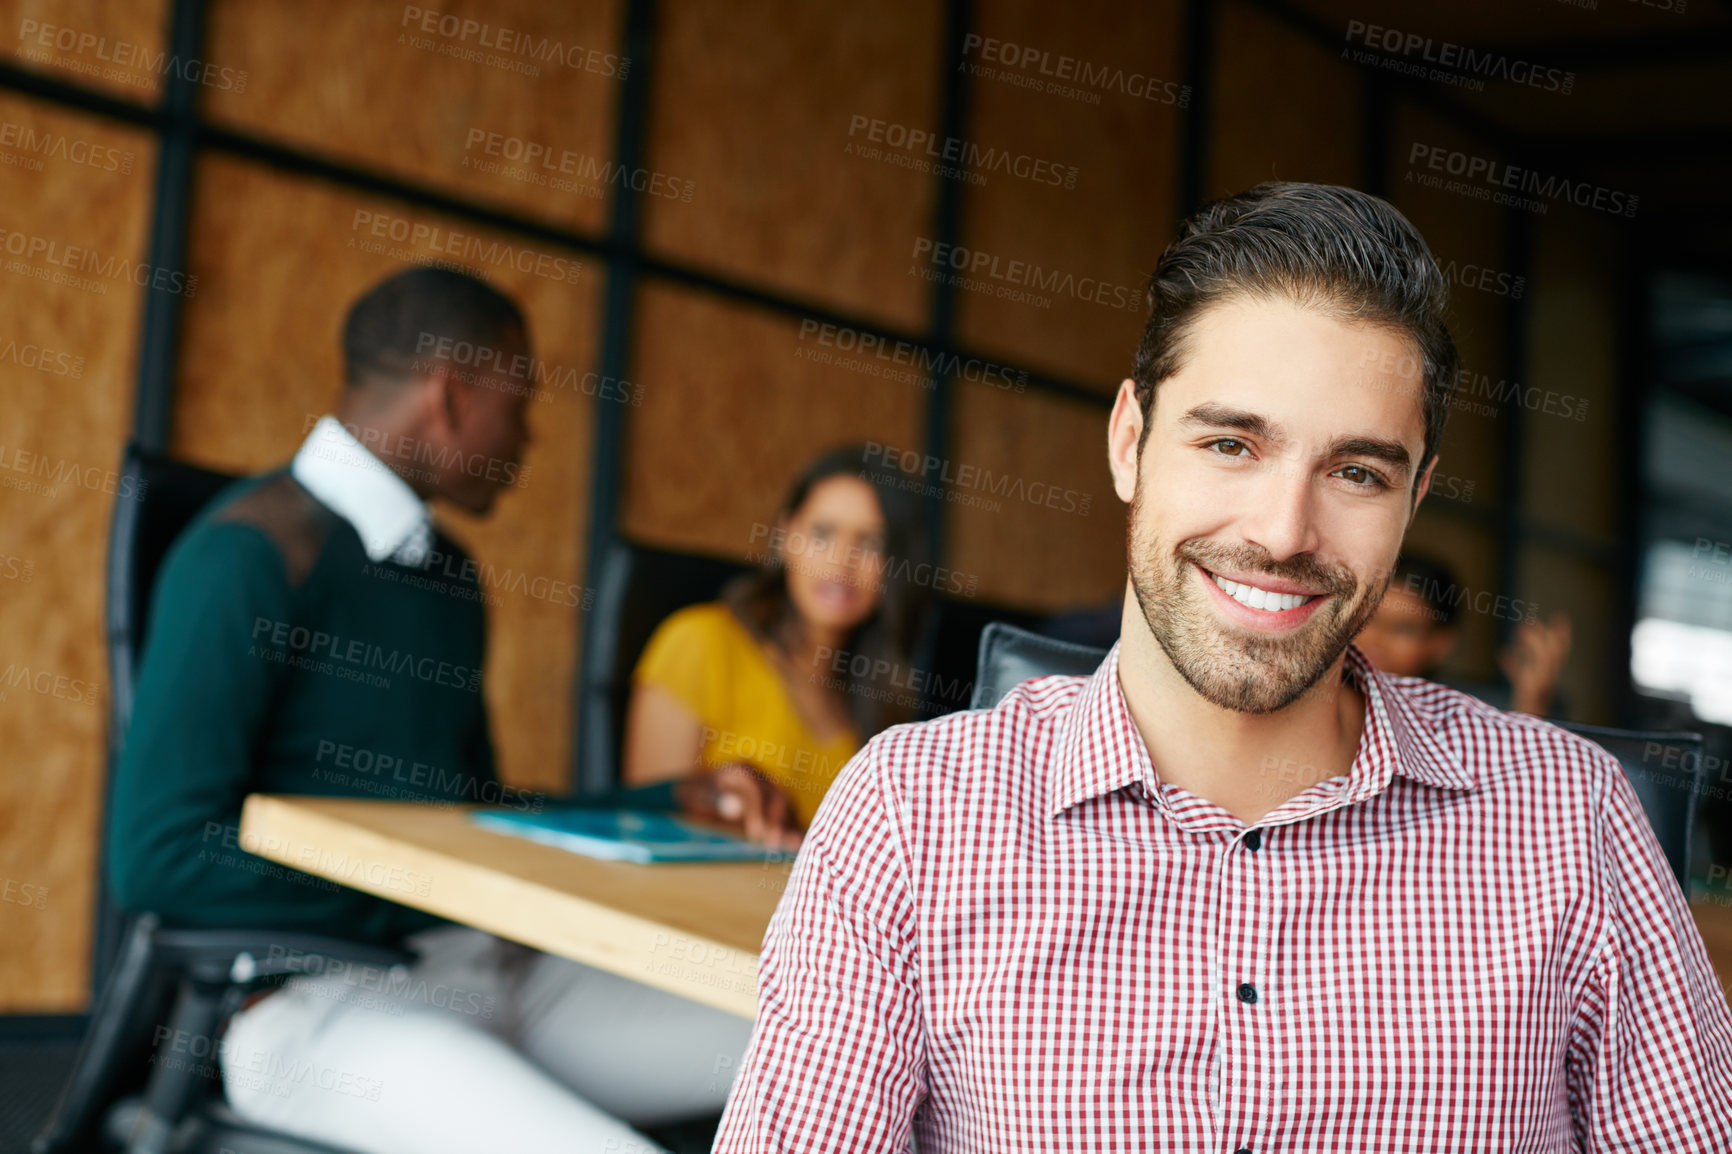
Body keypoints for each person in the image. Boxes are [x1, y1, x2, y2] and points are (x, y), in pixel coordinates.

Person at [713, 183, 1732, 1150]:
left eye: (1356, 471)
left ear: (1414, 498)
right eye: (1232, 444)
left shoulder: (1575, 823)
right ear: (1129, 441)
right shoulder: (908, 817)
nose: (1284, 533)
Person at [109, 266, 744, 1154]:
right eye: (517, 405)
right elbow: (158, 857)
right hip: (316, 1006)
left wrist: (658, 804)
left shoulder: (446, 575)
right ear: (450, 396)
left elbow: (468, 818)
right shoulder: (249, 556)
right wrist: (409, 888)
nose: (526, 439)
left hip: (487, 970)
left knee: (839, 1047)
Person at [622, 445, 928, 848]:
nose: (841, 561)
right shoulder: (699, 643)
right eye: (822, 534)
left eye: (869, 543)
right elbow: (643, 830)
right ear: (786, 536)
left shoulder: (884, 708)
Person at [1354, 551, 1573, 716]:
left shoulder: (1459, 717)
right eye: (1369, 619)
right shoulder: (1325, 689)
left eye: (1404, 629)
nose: (1377, 638)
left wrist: (1531, 704)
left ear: (1440, 643)